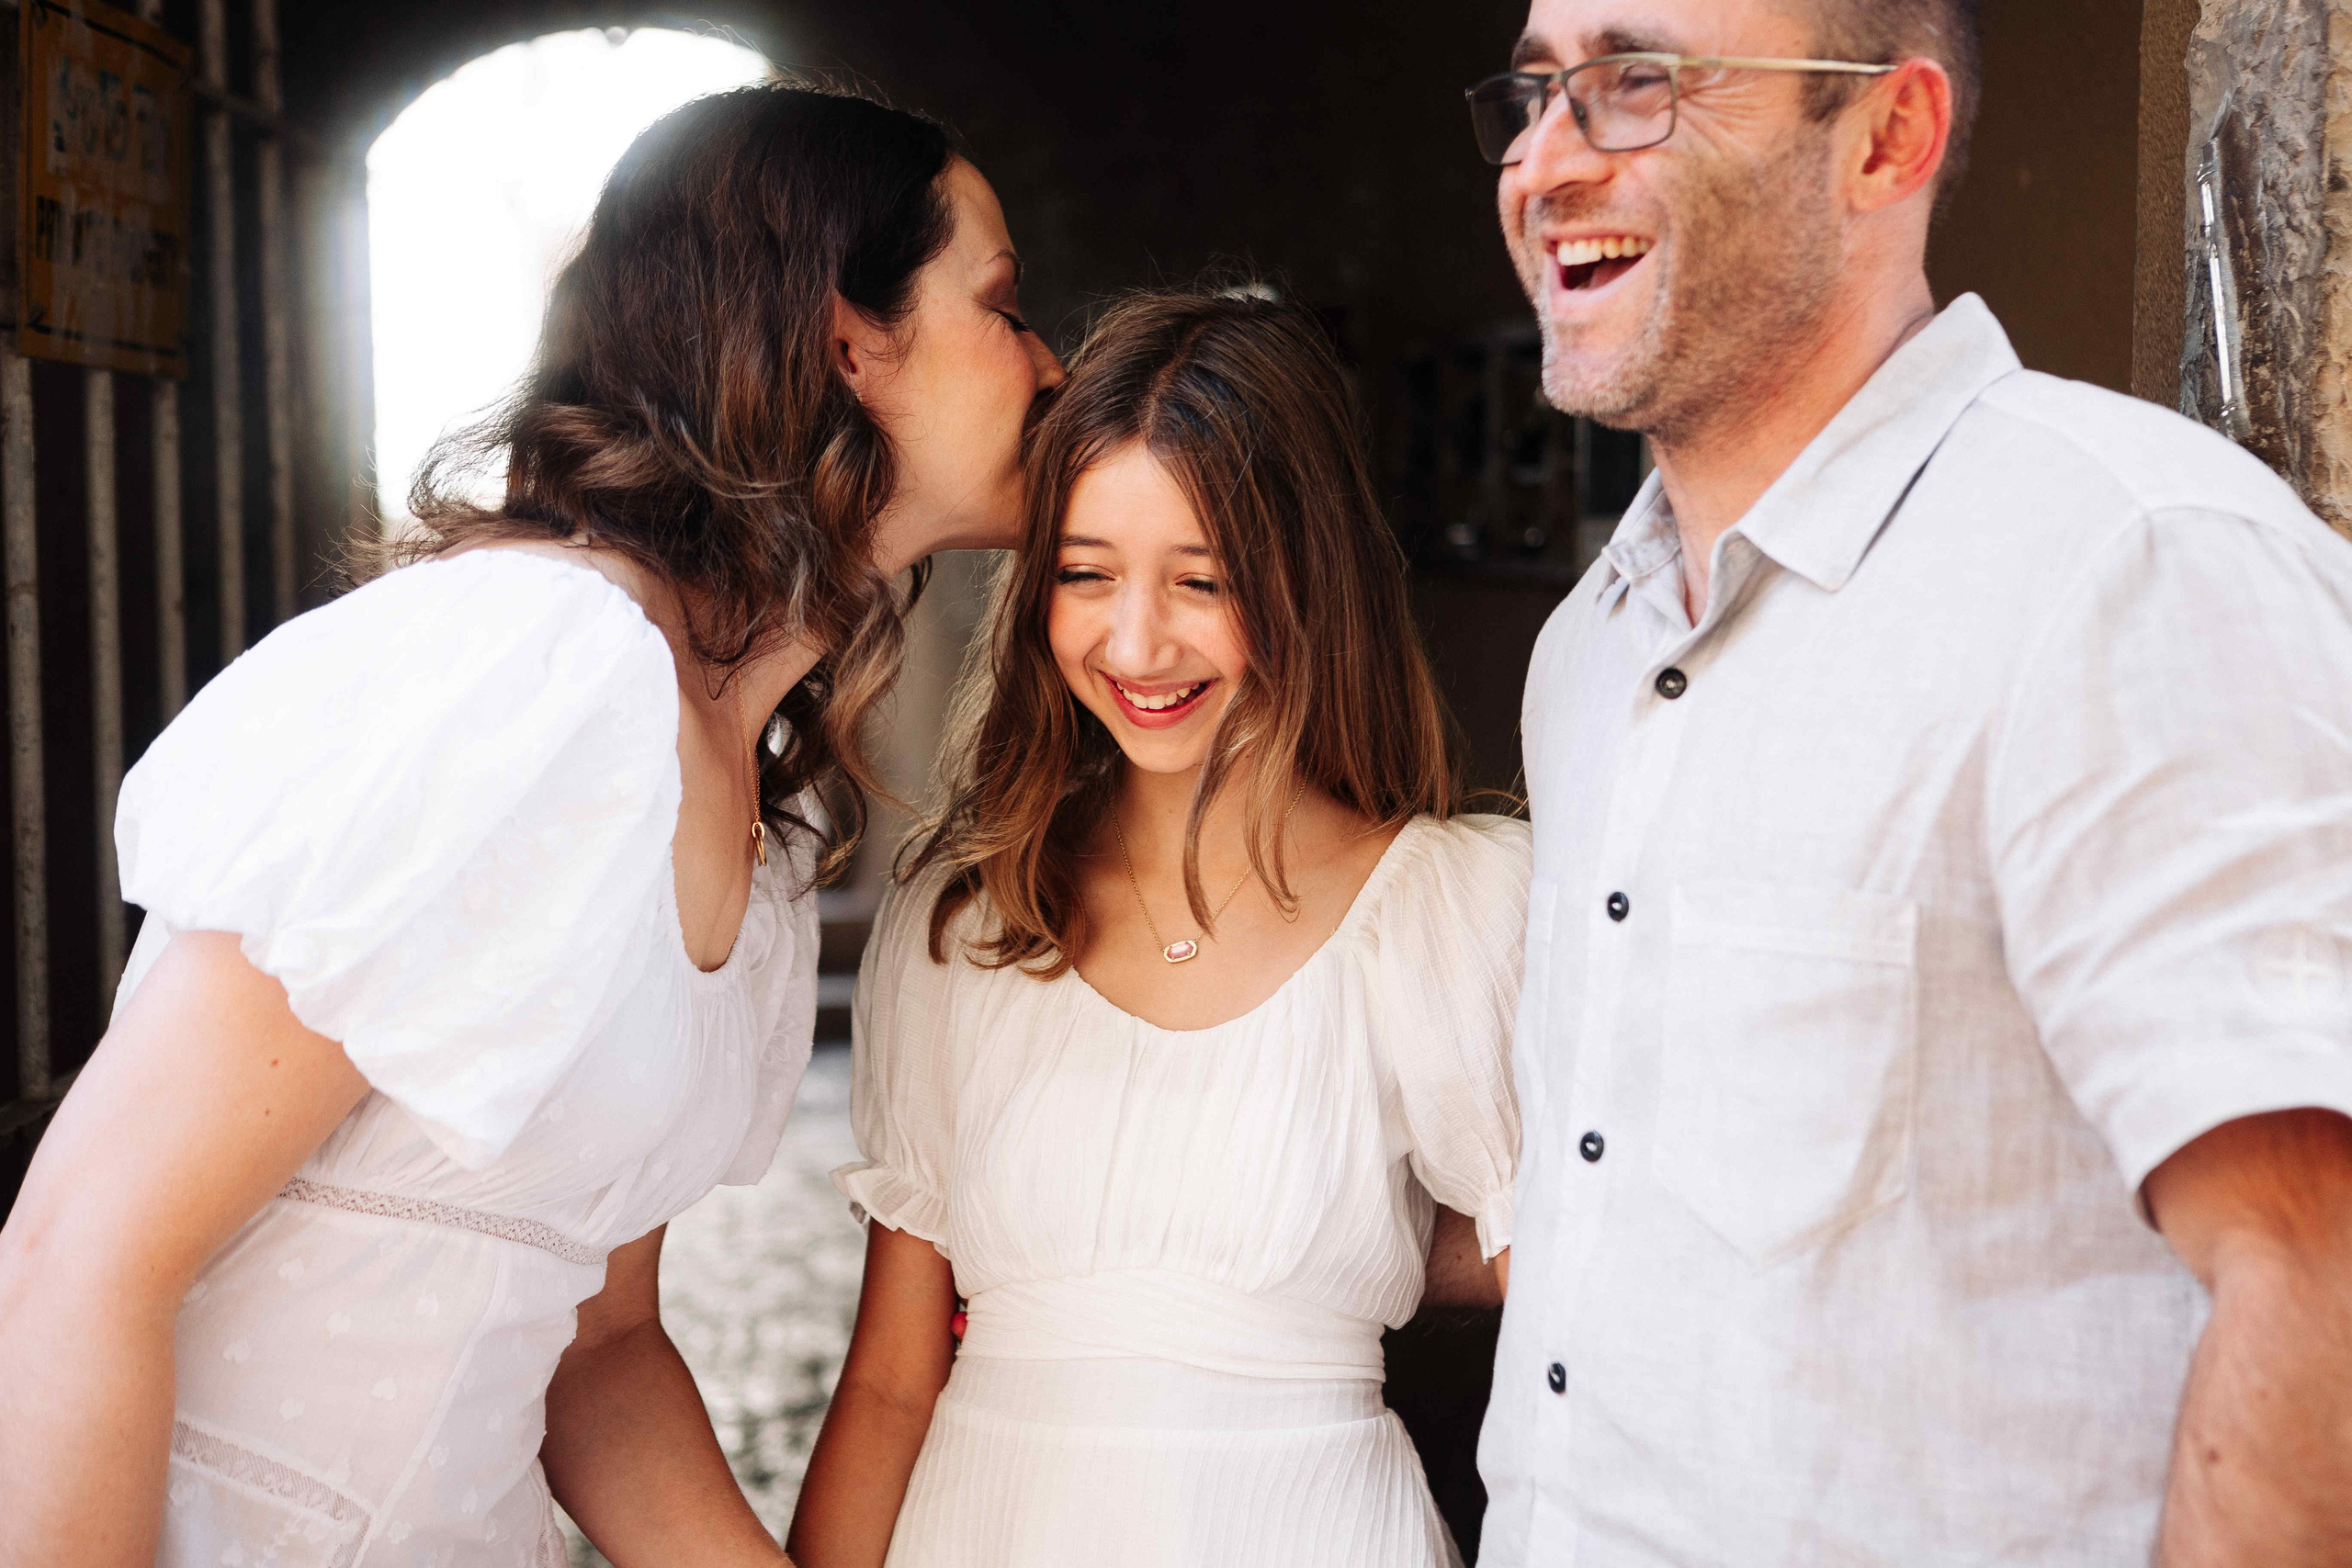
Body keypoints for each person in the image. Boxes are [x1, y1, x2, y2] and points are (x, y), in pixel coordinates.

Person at [0, 83, 1063, 1568]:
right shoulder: (530, 675)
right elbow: (80, 1256)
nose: (1049, 364)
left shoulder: (744, 803)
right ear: (846, 342)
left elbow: (599, 1348)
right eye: (1004, 307)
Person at [1469, 1, 2352, 1563]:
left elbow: (2319, 1271)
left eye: (1636, 86)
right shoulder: (1583, 656)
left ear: (1887, 137)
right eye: (1536, 94)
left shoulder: (2125, 563)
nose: (1543, 162)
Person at [786, 288, 1527, 1568]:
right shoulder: (965, 922)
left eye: (1204, 580)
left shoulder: (1453, 912)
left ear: (1310, 583)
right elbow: (890, 1385)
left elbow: (1605, 1327)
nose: (1136, 642)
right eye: (1083, 575)